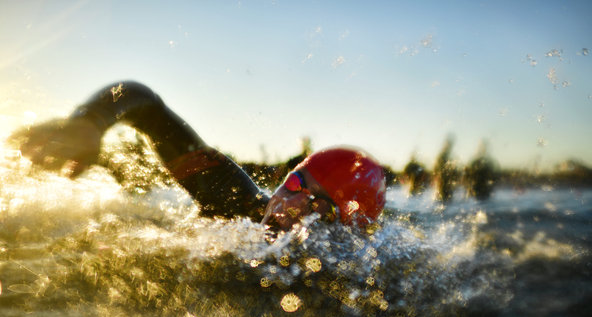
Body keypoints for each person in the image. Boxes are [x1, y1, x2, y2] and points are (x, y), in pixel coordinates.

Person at [9, 81, 386, 230]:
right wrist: (89, 123)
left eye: (319, 208)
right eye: (294, 183)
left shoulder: (352, 280)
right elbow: (142, 102)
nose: (288, 205)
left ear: (347, 228)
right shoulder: (234, 200)